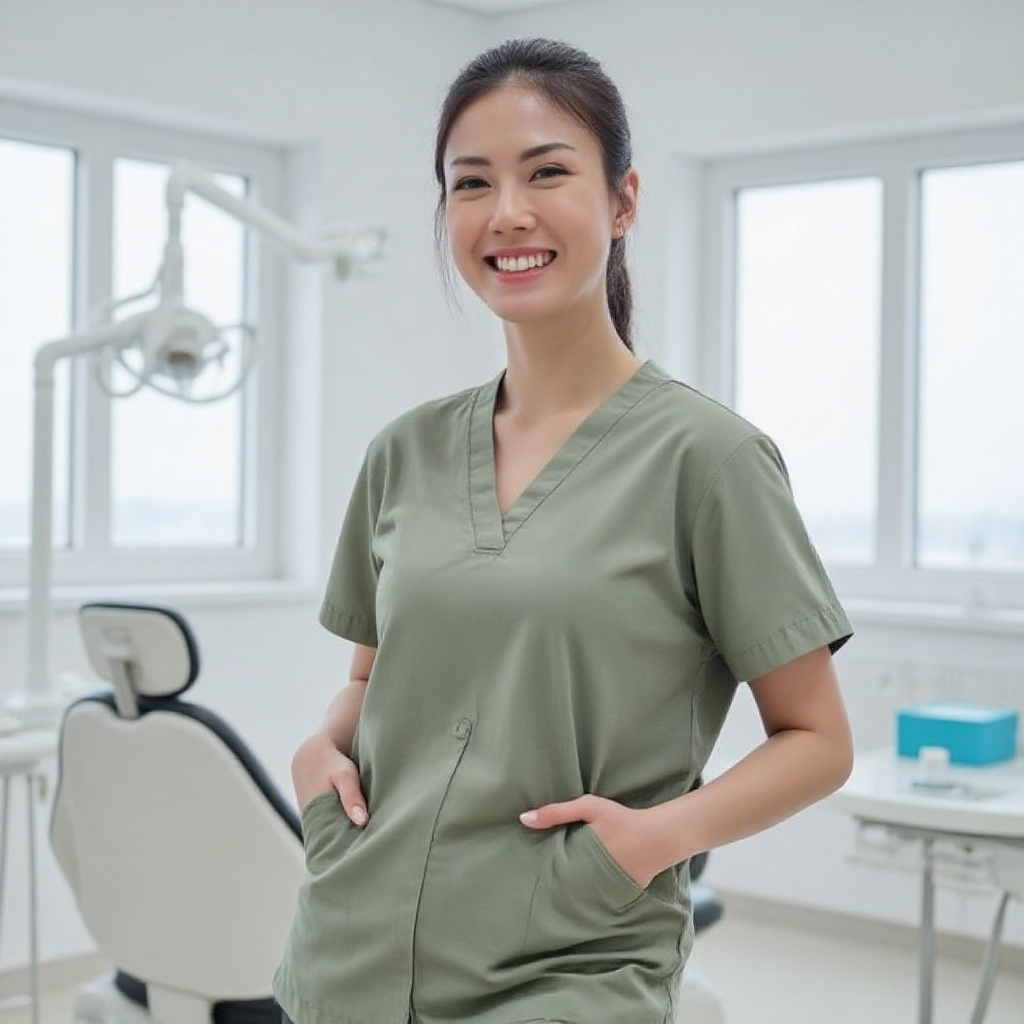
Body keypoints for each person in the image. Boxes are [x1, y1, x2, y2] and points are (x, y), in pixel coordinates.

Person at [273, 36, 854, 1024]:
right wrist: (317, 752)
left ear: (622, 201)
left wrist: (649, 841)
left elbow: (818, 741)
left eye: (546, 172)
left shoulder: (710, 461)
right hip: (350, 950)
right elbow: (372, 681)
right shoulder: (404, 452)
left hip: (566, 965)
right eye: (471, 183)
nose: (507, 212)